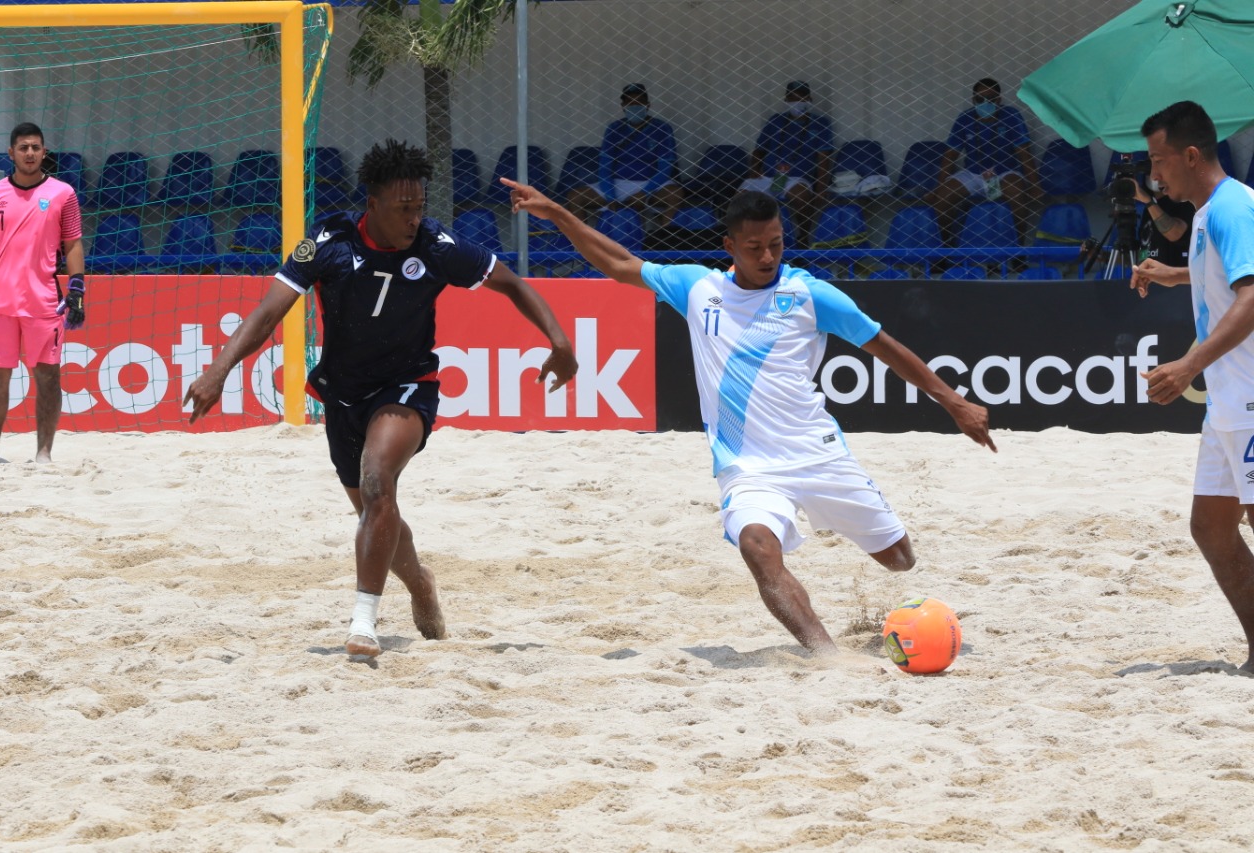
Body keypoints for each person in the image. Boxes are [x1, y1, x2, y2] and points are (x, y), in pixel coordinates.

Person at [504, 176, 996, 655]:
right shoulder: (697, 287)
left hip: (818, 454)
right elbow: (618, 262)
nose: (767, 257)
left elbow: (885, 348)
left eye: (777, 244)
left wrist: (953, 402)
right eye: (755, 247)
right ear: (730, 246)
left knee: (899, 561)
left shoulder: (810, 295)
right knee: (758, 547)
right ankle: (828, 657)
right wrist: (560, 215)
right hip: (747, 466)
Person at [185, 139, 578, 658]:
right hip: (343, 393)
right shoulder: (329, 241)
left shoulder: (438, 247)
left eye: (420, 206)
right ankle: (420, 583)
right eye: (403, 208)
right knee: (375, 504)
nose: (415, 218)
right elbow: (267, 314)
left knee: (377, 481)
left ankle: (363, 623)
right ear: (372, 204)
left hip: (408, 385)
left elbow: (512, 285)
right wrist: (218, 369)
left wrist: (560, 340)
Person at [1129, 101, 1254, 673]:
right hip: (1230, 399)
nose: (1155, 174)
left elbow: (1252, 299)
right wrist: (1175, 273)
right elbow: (1227, 279)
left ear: (1192, 154)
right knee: (1210, 527)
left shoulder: (1232, 207)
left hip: (1249, 393)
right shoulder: (1208, 214)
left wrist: (1187, 366)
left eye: (1159, 160)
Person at [0, 121, 85, 464]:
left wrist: (77, 286)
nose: (30, 153)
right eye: (23, 147)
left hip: (43, 301)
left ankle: (44, 454)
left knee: (48, 377)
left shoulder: (63, 193)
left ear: (44, 152)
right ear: (11, 153)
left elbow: (73, 243)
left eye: (36, 147)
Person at [928, 78, 1040, 246]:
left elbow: (1024, 153)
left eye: (991, 99)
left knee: (1017, 194)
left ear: (999, 100)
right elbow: (951, 154)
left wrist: (1035, 185)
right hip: (973, 173)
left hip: (1004, 172)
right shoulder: (965, 118)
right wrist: (938, 187)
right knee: (943, 197)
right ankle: (945, 248)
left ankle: (1017, 249)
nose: (985, 103)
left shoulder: (1011, 115)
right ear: (973, 100)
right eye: (980, 99)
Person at [567, 83, 683, 230]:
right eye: (630, 104)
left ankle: (664, 241)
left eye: (639, 103)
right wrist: (610, 197)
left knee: (675, 194)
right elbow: (604, 167)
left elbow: (665, 168)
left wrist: (644, 193)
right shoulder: (615, 129)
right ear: (623, 106)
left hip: (650, 184)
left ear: (647, 105)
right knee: (575, 196)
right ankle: (583, 243)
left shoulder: (662, 128)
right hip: (617, 184)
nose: (634, 107)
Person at [741, 80, 835, 247]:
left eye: (802, 97)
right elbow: (759, 150)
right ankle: (745, 237)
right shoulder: (775, 121)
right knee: (741, 195)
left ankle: (802, 236)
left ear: (809, 99)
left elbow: (824, 158)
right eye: (792, 98)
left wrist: (821, 189)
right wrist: (754, 170)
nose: (797, 102)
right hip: (771, 174)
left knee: (801, 196)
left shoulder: (820, 123)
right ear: (786, 99)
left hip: (797, 176)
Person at [1133, 169, 1193, 266]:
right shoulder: (1148, 209)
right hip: (1150, 277)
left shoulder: (1183, 202)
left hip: (1174, 278)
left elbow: (1174, 233)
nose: (1152, 175)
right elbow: (1145, 251)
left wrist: (1149, 202)